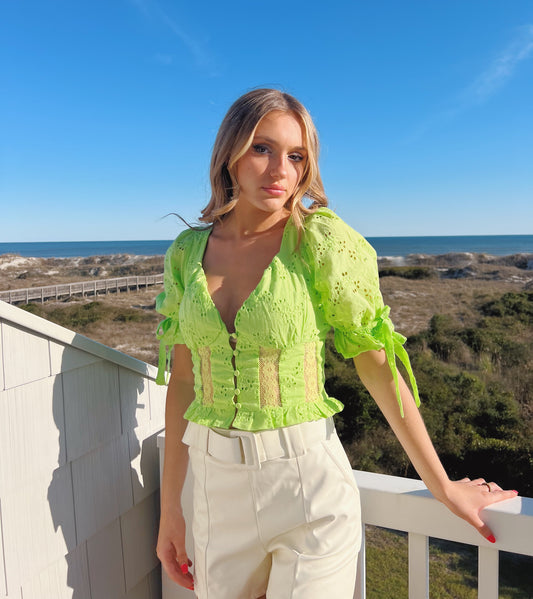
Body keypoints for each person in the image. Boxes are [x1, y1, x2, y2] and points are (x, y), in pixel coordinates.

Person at [155, 88, 516, 598]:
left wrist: (441, 484)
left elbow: (377, 366)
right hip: (214, 493)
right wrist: (171, 511)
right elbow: (184, 381)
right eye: (262, 148)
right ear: (229, 154)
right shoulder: (185, 253)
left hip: (309, 489)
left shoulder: (320, 243)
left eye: (296, 156)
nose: (280, 170)